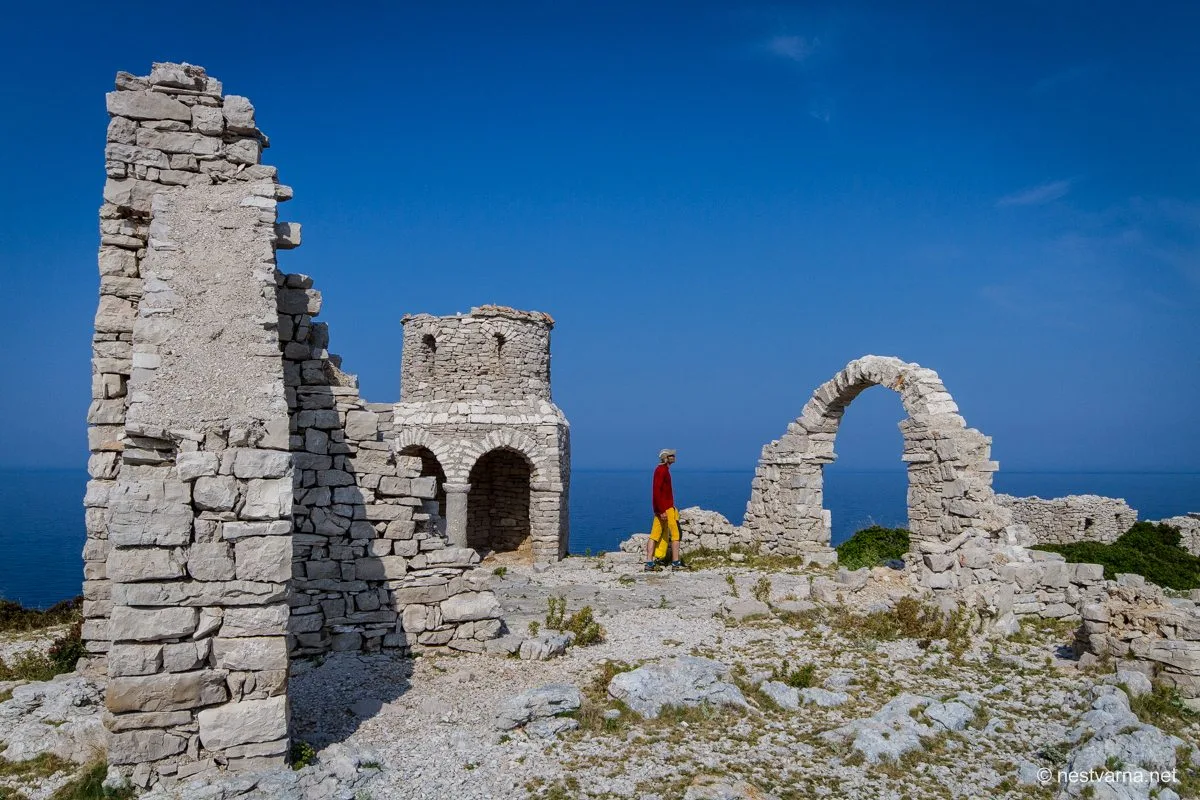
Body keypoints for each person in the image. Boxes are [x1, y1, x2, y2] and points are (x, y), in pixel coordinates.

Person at [645, 449, 683, 571]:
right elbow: (656, 492)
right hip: (666, 509)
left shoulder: (661, 470)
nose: (674, 457)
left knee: (654, 535)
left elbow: (657, 493)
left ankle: (649, 563)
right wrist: (662, 510)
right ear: (667, 458)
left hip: (660, 509)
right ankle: (675, 563)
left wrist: (658, 510)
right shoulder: (662, 471)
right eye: (672, 456)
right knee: (676, 535)